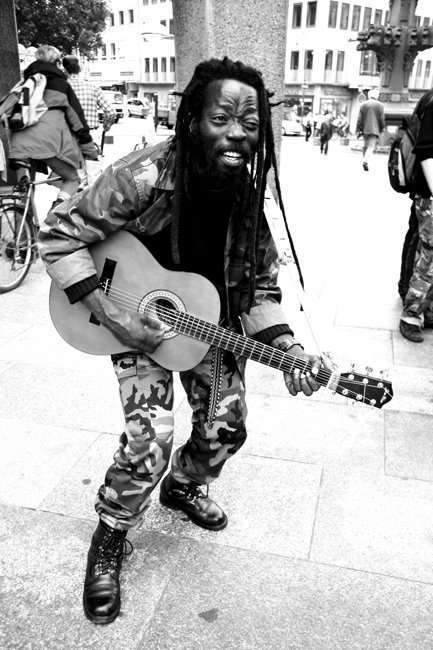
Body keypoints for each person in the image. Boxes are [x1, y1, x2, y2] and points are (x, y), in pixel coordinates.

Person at [38, 57, 329, 625]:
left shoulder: (247, 197)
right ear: (194, 117)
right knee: (152, 440)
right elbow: (58, 236)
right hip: (121, 313)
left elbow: (260, 288)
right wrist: (113, 315)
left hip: (205, 327)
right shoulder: (144, 175)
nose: (238, 133)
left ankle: (184, 487)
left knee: (228, 424)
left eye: (251, 122)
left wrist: (289, 350)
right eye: (223, 117)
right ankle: (111, 535)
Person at [8, 45, 98, 209]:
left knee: (25, 189)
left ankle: (20, 225)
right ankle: (56, 210)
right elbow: (77, 123)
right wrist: (90, 151)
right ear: (57, 63)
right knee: (73, 179)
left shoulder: (25, 83)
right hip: (48, 143)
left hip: (18, 146)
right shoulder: (61, 86)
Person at [399, 88, 433, 342]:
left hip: (426, 194)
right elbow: (427, 150)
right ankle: (412, 313)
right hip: (429, 196)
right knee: (428, 260)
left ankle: (425, 310)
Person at [62, 55, 116, 140]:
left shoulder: (61, 88)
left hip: (68, 135)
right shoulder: (93, 87)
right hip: (91, 134)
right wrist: (106, 126)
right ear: (79, 69)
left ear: (64, 70)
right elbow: (110, 112)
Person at [356, 89, 385, 171]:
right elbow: (381, 119)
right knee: (371, 146)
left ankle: (364, 160)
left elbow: (359, 119)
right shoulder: (380, 105)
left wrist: (359, 129)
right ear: (377, 96)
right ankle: (365, 161)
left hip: (365, 128)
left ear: (369, 95)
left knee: (365, 145)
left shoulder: (363, 104)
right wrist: (382, 128)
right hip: (375, 129)